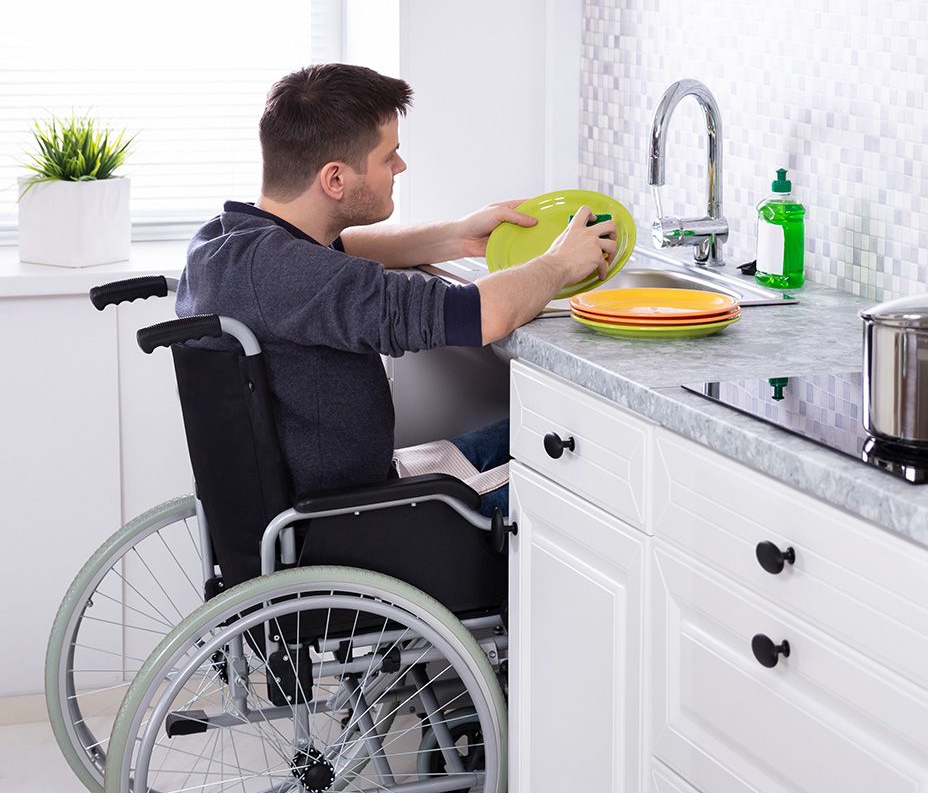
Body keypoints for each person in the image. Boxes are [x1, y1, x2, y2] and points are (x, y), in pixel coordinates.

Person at [176, 63, 617, 515]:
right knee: (594, 467)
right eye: (388, 157)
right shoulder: (301, 277)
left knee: (530, 429)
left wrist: (457, 236)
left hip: (324, 501)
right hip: (361, 521)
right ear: (335, 178)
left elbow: (344, 249)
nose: (400, 166)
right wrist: (561, 262)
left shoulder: (226, 244)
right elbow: (481, 315)